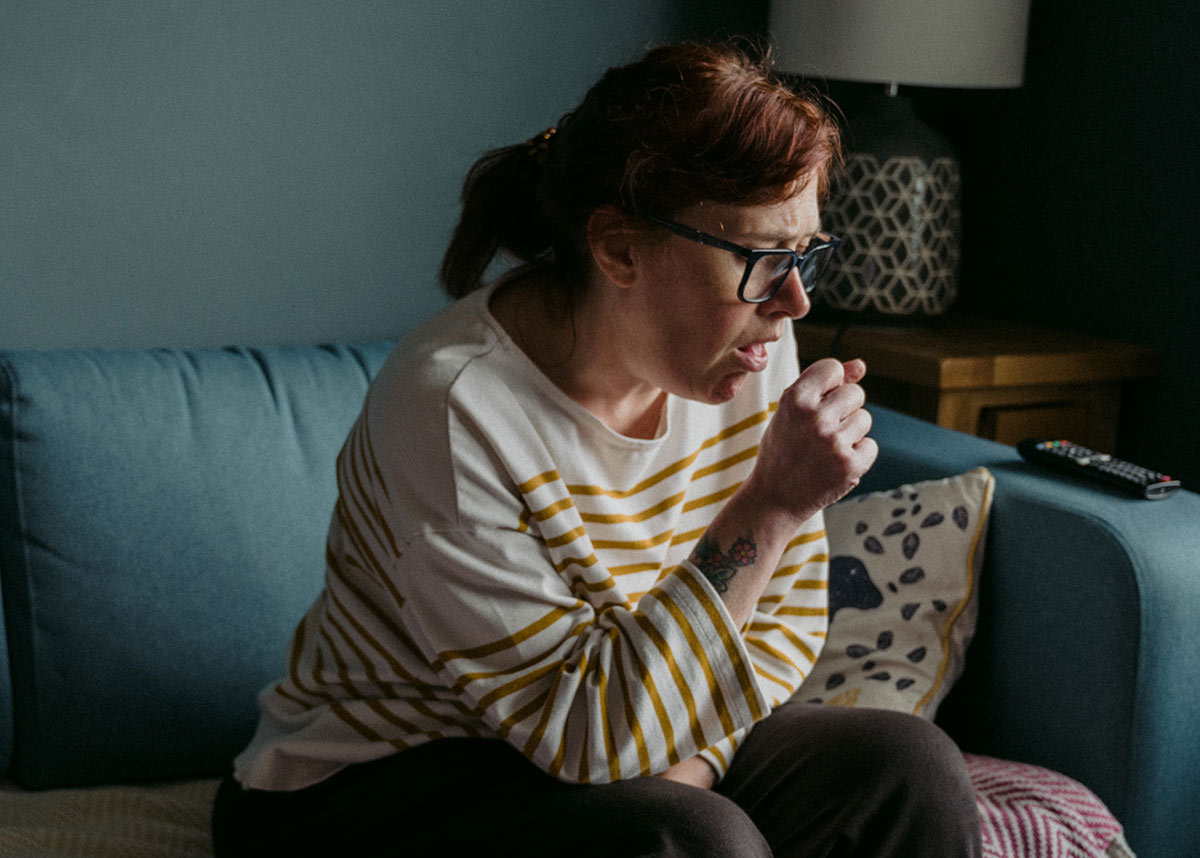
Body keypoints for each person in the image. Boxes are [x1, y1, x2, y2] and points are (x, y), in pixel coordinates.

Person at [212, 41, 982, 857]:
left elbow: (785, 624)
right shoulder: (454, 408)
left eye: (806, 255)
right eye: (763, 259)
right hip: (373, 788)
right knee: (689, 838)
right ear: (618, 249)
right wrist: (773, 504)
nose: (793, 301)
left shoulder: (750, 344)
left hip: (643, 728)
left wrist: (697, 761)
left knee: (908, 766)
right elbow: (578, 738)